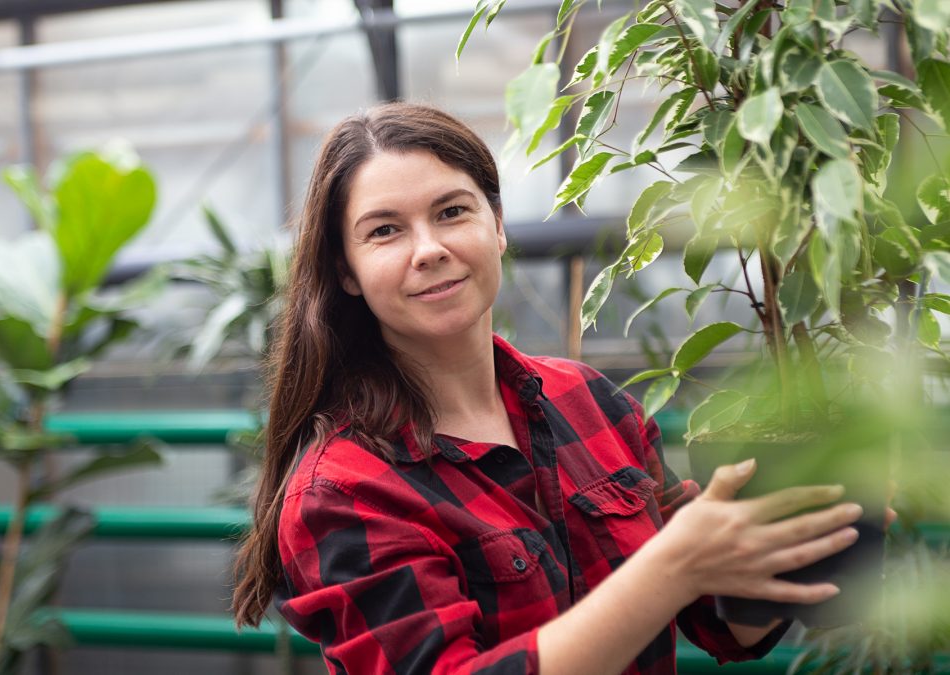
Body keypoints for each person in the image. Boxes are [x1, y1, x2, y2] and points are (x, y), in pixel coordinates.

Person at [231, 102, 864, 674]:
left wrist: (796, 538)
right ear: (346, 270)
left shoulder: (589, 401)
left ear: (498, 226)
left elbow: (719, 623)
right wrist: (671, 568)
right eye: (385, 231)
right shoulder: (345, 490)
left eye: (452, 212)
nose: (429, 250)